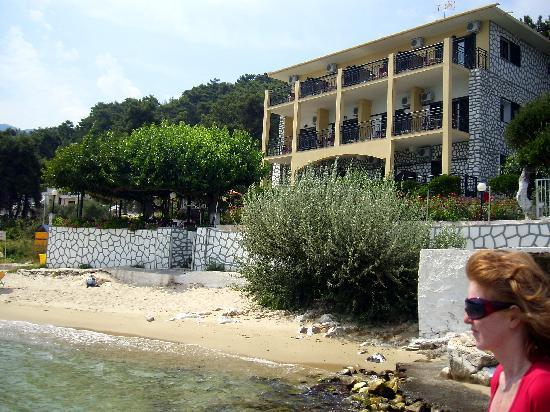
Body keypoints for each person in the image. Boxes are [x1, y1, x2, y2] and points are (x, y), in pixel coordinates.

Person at [464, 249, 550, 411]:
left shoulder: (543, 387)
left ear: (513, 317)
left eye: (474, 308)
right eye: (467, 306)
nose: (466, 318)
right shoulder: (500, 376)